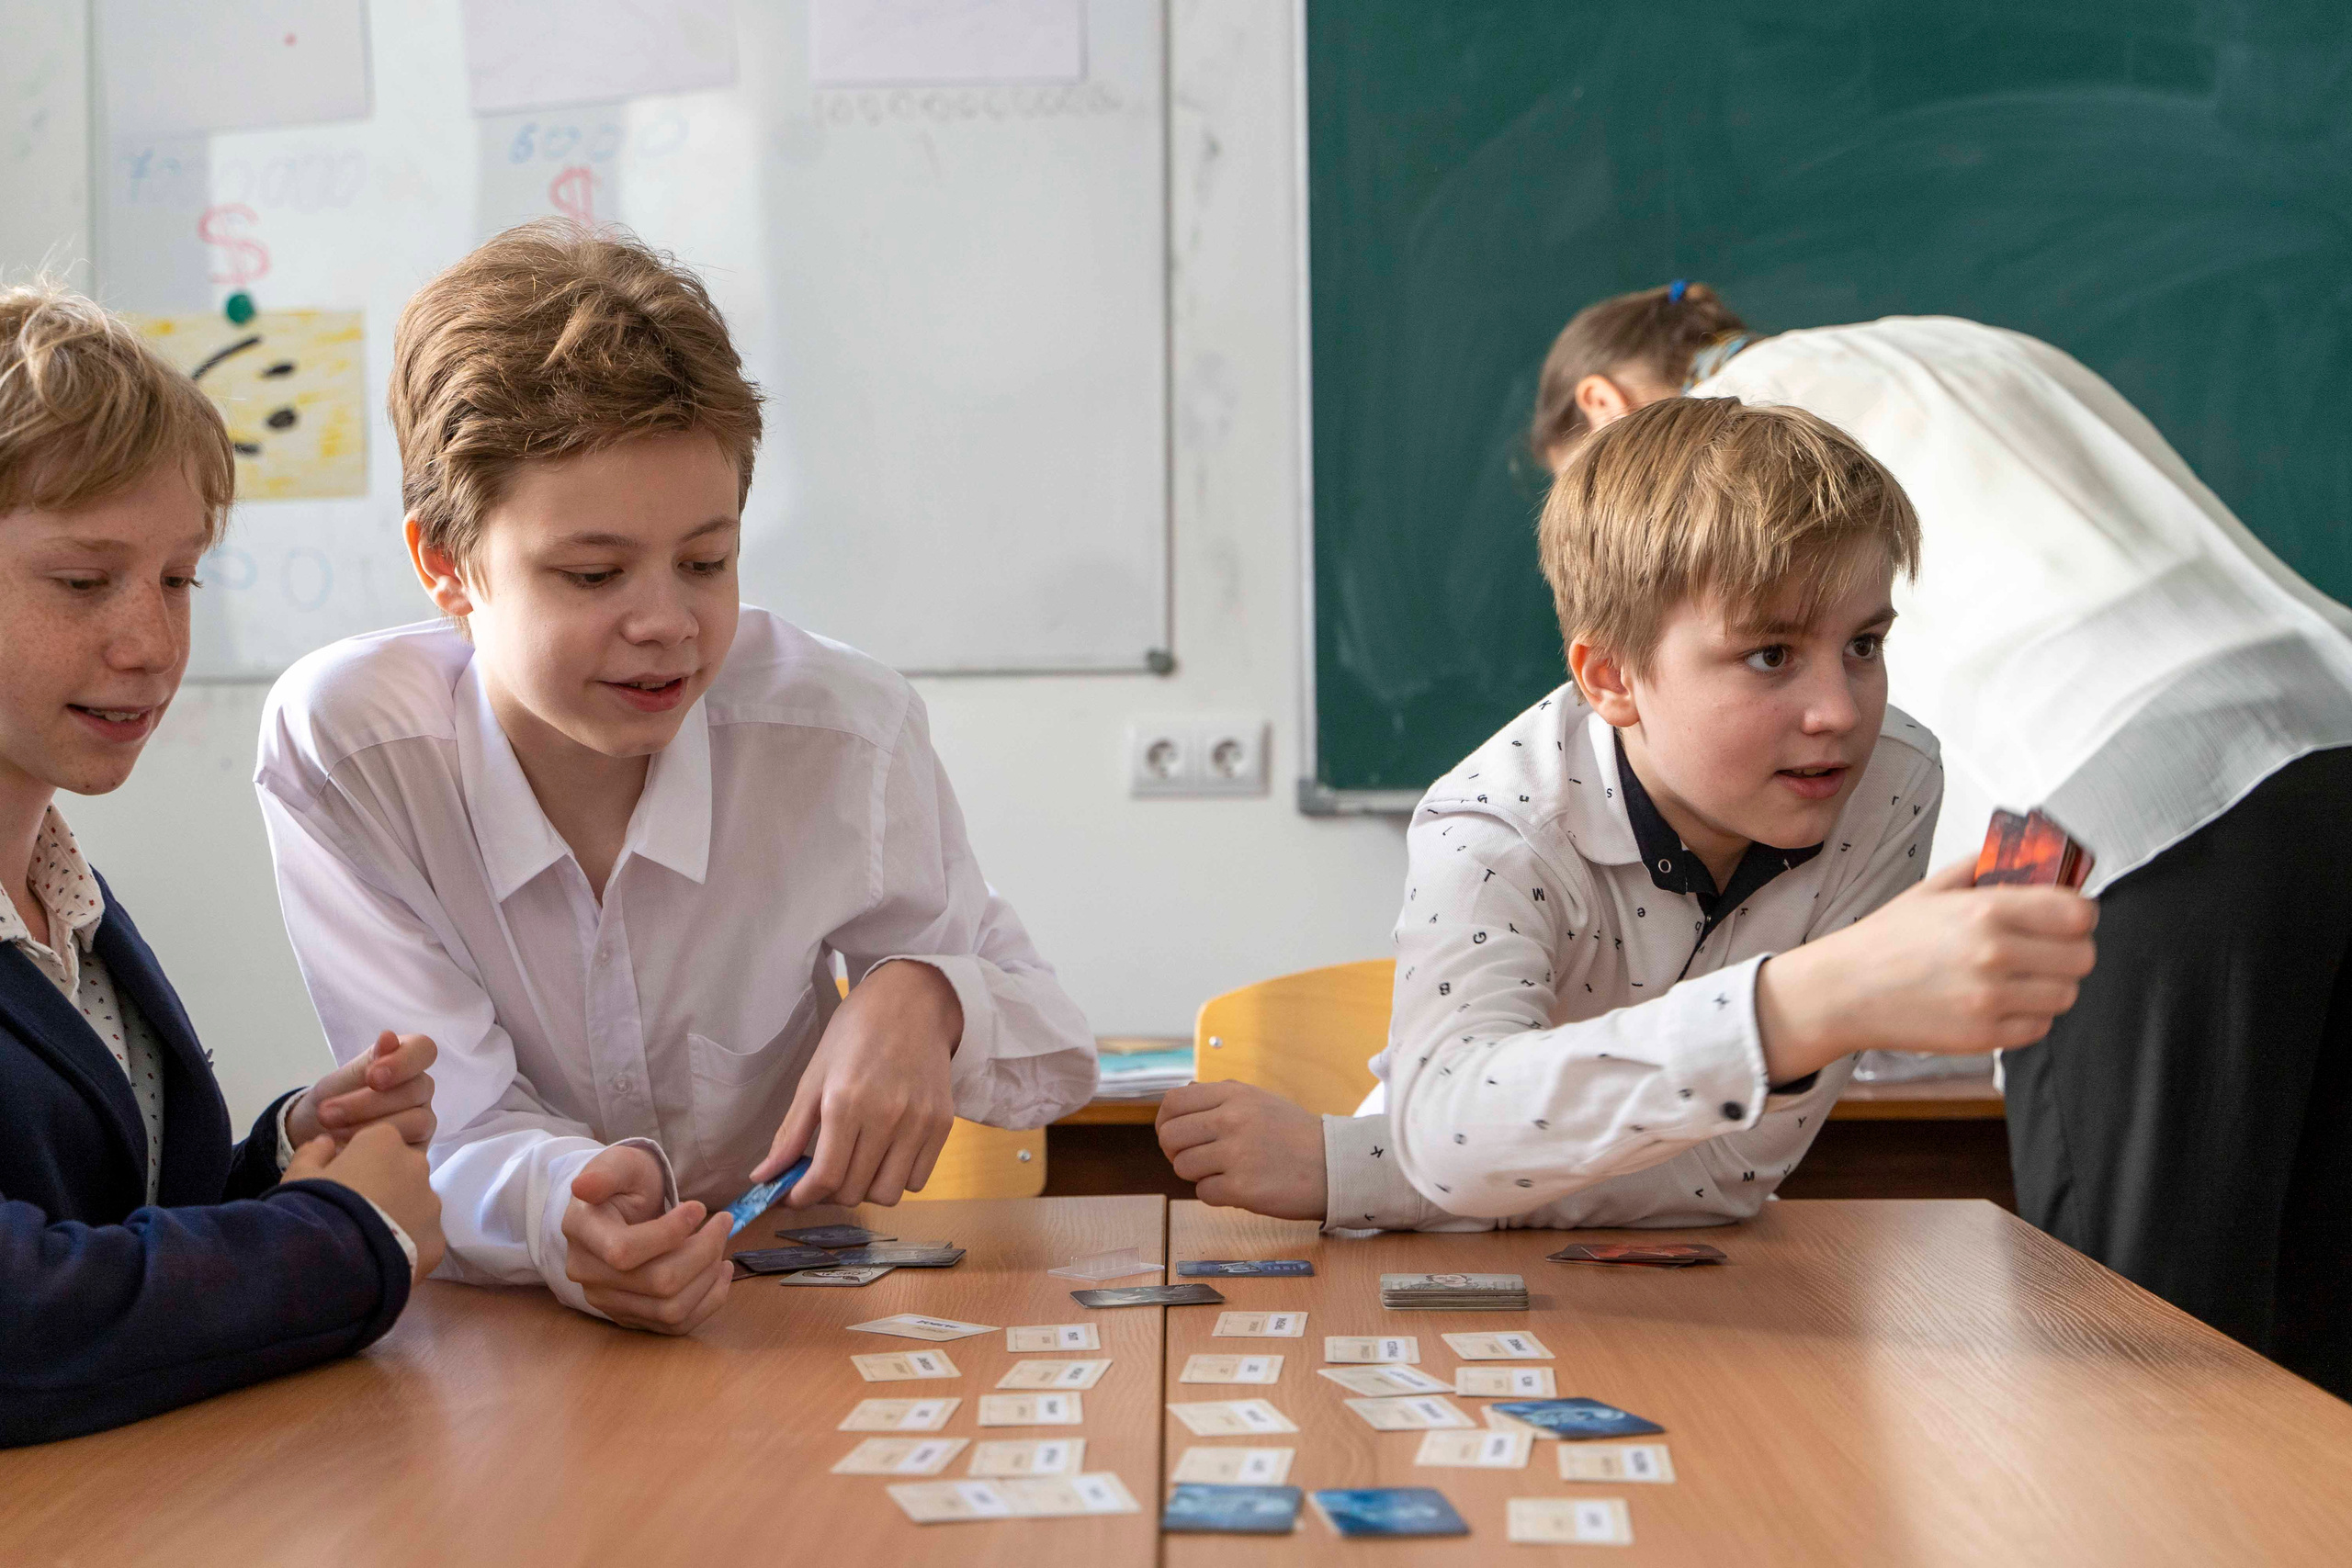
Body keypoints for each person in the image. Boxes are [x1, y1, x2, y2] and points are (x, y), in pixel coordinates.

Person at [255, 222, 1097, 1336]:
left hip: (776, 1321)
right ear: (445, 566)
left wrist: (926, 998)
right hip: (507, 1338)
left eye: (707, 561)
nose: (666, 623)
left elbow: (1056, 1046)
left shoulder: (839, 733)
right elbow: (441, 1124)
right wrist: (565, 1213)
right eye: (592, 573)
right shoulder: (350, 750)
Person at [1525, 283, 2352, 1397]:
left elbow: (1876, 740)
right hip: (2326, 732)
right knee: (2312, 1312)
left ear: (1603, 405)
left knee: (2130, 1349)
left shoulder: (1744, 443)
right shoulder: (1954, 341)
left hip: (2138, 811)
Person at [1159, 399, 2096, 1235]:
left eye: (1864, 643)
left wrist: (1355, 1168)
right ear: (1610, 678)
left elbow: (1729, 1177)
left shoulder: (1890, 780)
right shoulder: (1492, 828)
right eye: (1771, 655)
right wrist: (1815, 998)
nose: (1840, 712)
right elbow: (1450, 1139)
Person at [0, 280, 445, 1447]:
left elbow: (117, 1229)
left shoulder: (62, 897)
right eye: (83, 581)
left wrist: (291, 1155)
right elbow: (22, 1321)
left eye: (178, 578)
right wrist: (343, 1238)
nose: (152, 643)